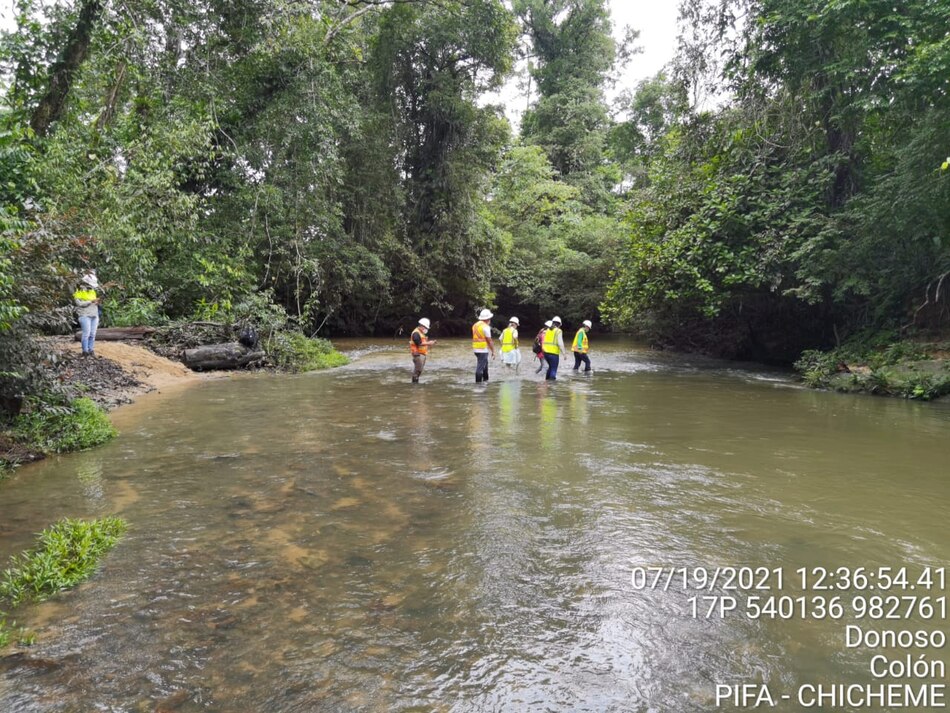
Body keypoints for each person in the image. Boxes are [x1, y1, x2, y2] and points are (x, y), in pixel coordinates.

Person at [74, 271, 101, 356]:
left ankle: (91, 350)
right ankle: (85, 351)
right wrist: (90, 301)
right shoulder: (78, 291)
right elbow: (79, 304)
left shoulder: (93, 291)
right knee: (86, 334)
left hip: (94, 314)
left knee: (93, 334)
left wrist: (97, 302)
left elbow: (94, 301)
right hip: (84, 315)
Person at [409, 318, 437, 383]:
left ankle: (415, 383)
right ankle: (414, 385)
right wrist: (429, 343)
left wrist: (429, 342)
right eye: (425, 327)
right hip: (417, 354)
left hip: (422, 354)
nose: (426, 329)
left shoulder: (421, 333)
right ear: (421, 325)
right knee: (418, 369)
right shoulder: (416, 333)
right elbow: (418, 343)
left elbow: (422, 342)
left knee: (419, 370)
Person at [472, 308, 495, 383]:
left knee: (485, 366)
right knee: (480, 368)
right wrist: (493, 351)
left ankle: (486, 381)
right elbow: (489, 341)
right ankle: (478, 385)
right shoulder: (486, 327)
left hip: (476, 349)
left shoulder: (475, 325)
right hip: (482, 349)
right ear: (488, 319)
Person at [542, 316, 567, 380]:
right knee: (553, 369)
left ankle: (546, 382)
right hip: (553, 354)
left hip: (545, 353)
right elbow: (560, 343)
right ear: (559, 324)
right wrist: (564, 353)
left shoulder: (547, 330)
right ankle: (552, 386)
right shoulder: (558, 331)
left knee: (550, 367)